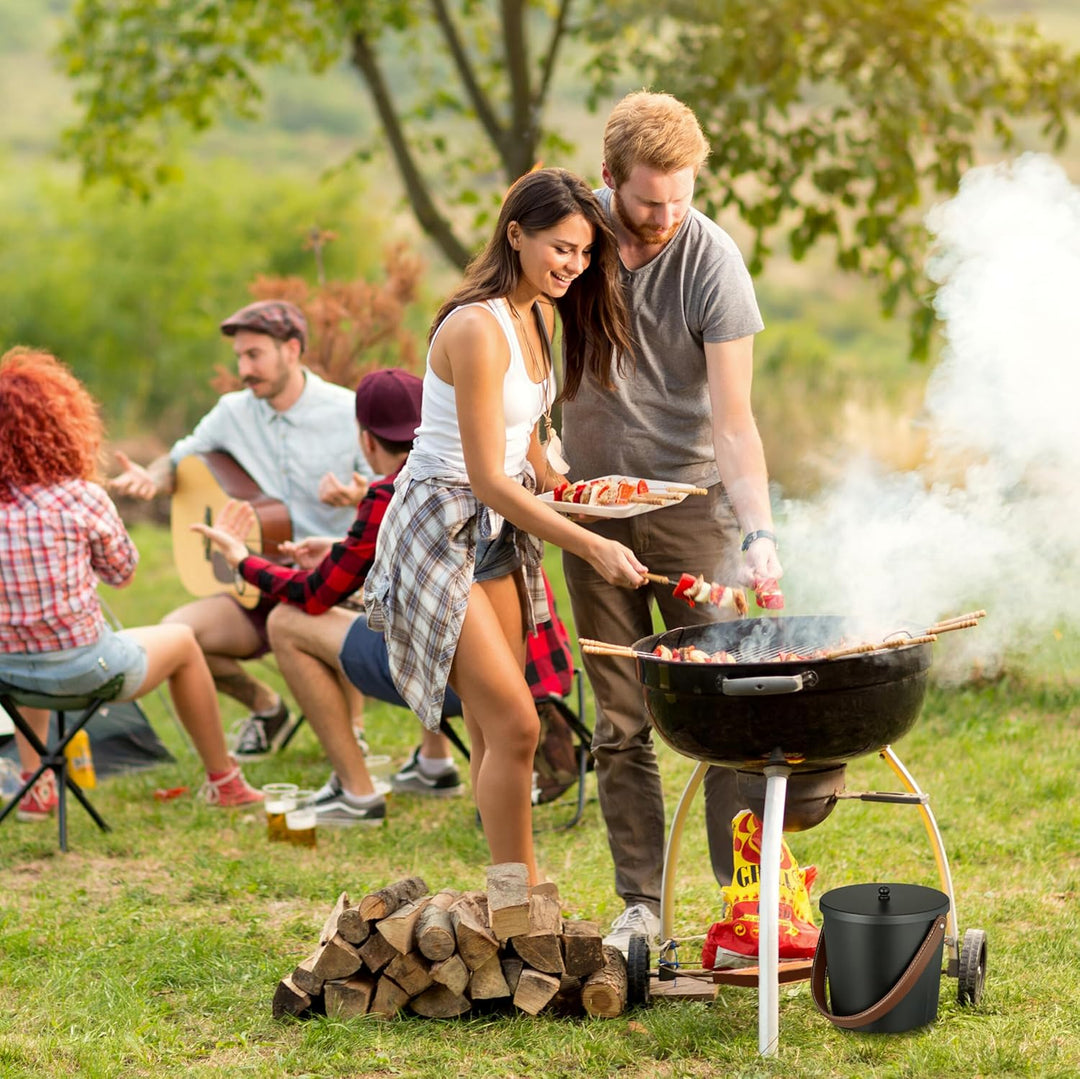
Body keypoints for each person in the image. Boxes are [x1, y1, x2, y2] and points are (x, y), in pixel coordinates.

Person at [362, 167, 646, 884]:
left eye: (584, 253)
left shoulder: (538, 316)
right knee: (519, 725)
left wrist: (574, 492)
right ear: (515, 234)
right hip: (439, 529)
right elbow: (486, 474)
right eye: (561, 248)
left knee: (500, 727)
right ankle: (519, 896)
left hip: (495, 532)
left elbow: (520, 441)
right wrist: (588, 541)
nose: (573, 266)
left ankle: (508, 890)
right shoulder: (475, 328)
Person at [560, 91, 784, 951]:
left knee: (724, 712)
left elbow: (734, 420)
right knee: (619, 722)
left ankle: (748, 902)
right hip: (593, 514)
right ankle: (642, 908)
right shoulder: (572, 247)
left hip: (696, 511)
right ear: (608, 178)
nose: (664, 217)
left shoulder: (712, 259)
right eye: (648, 201)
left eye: (679, 198)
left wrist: (757, 532)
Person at [192, 367, 464, 826]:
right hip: (509, 670)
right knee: (425, 598)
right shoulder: (465, 472)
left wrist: (242, 561)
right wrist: (338, 552)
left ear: (367, 442)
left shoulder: (387, 493)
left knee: (286, 622)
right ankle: (433, 765)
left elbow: (314, 595)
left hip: (446, 681)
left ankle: (356, 794)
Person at [0, 348, 263, 821]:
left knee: (25, 637)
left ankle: (36, 784)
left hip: (7, 675)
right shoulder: (81, 498)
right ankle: (224, 782)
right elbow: (123, 575)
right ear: (59, 425)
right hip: (88, 671)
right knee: (183, 642)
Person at [109, 299, 375, 760]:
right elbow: (177, 460)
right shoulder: (232, 412)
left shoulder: (346, 411)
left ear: (292, 350)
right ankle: (266, 707)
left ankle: (351, 736)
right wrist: (151, 479)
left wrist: (359, 494)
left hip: (331, 579)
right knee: (178, 635)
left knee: (306, 623)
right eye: (239, 357)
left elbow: (388, 488)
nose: (244, 368)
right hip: (258, 577)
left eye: (255, 355)